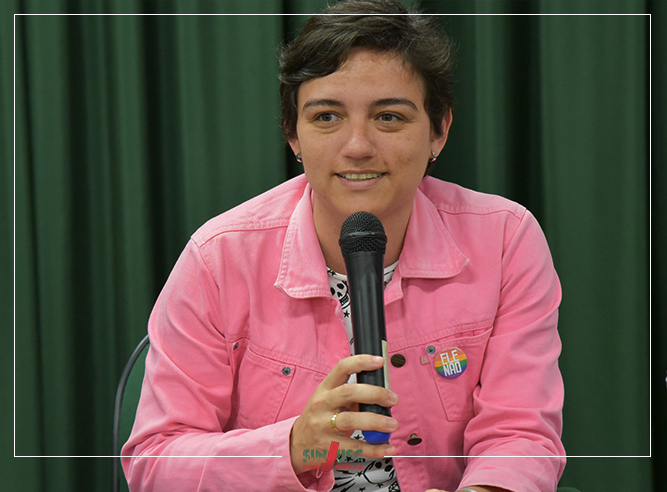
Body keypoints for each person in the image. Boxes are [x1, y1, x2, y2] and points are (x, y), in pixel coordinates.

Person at [122, 1, 566, 491]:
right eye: (327, 116)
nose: (357, 146)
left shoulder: (504, 240)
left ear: (439, 131)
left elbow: (520, 434)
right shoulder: (219, 257)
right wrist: (296, 445)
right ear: (292, 134)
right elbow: (154, 461)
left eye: (389, 117)